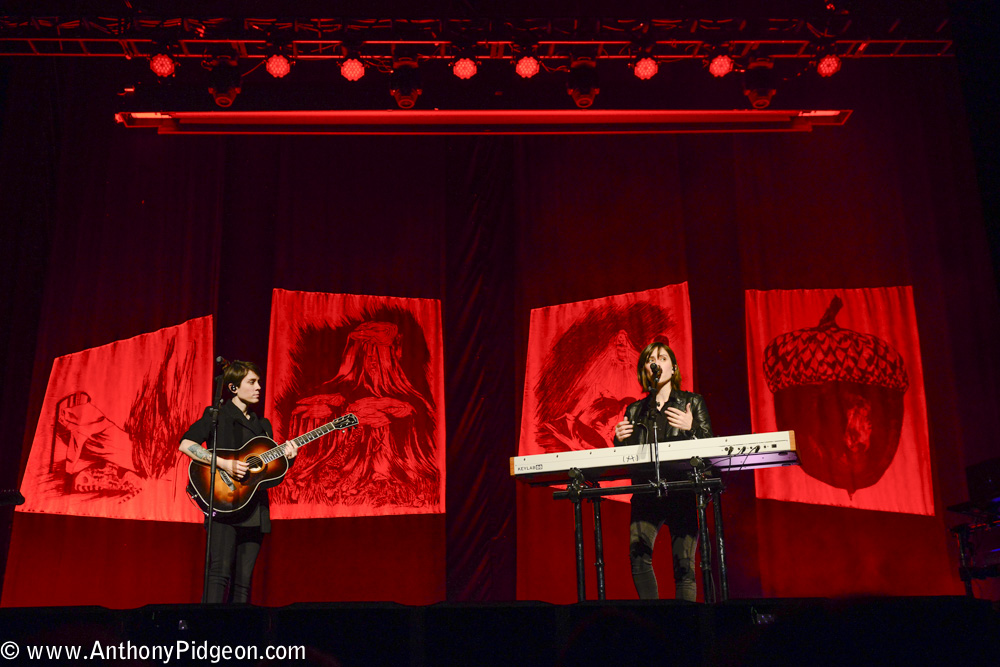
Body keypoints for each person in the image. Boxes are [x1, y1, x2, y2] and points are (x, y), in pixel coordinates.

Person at [178, 360, 298, 603]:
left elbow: (269, 475)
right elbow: (186, 444)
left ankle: (237, 637)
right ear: (233, 388)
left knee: (243, 583)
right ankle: (209, 635)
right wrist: (224, 464)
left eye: (259, 382)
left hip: (254, 508)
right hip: (225, 504)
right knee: (218, 574)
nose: (258, 388)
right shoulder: (216, 416)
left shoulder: (262, 425)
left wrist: (289, 459)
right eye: (252, 382)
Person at [611, 341, 713, 601]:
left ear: (673, 367)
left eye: (662, 358)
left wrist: (692, 427)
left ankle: (685, 628)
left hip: (681, 490)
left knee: (684, 567)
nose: (655, 362)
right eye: (650, 359)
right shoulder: (635, 410)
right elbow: (627, 457)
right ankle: (654, 621)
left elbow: (710, 448)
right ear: (645, 370)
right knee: (638, 557)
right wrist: (618, 440)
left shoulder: (692, 402)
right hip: (646, 492)